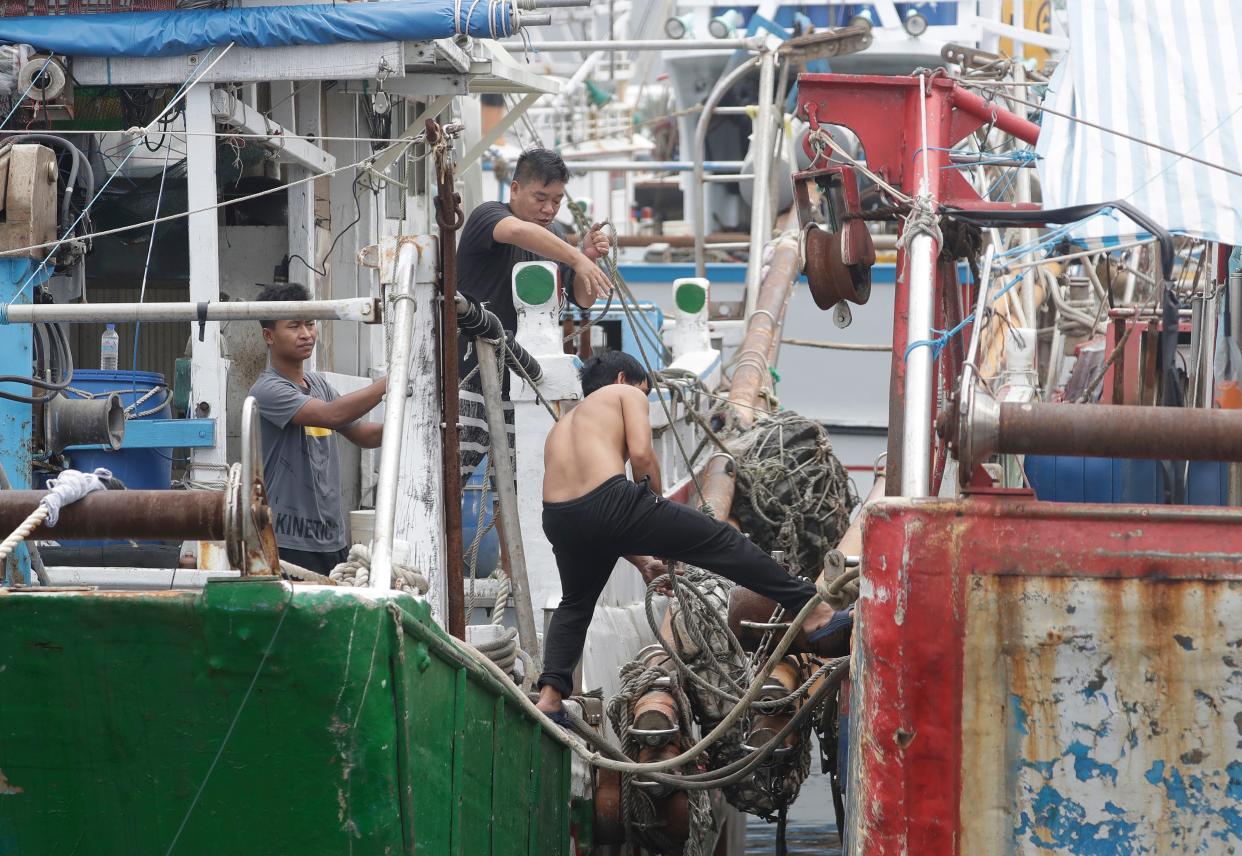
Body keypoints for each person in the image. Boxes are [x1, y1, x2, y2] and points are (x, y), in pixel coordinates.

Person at [534, 351, 853, 721]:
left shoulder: (561, 425)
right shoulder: (626, 395)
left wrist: (642, 562)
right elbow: (640, 455)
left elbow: (590, 517)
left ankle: (550, 697)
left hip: (559, 518)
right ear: (624, 379)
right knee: (722, 542)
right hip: (612, 502)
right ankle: (814, 612)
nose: (646, 399)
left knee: (576, 604)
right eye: (645, 391)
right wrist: (654, 510)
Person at [455, 147, 613, 486]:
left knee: (511, 492)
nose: (549, 209)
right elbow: (516, 232)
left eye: (556, 200)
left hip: (521, 386)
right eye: (540, 197)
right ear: (514, 189)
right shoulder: (488, 216)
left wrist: (587, 258)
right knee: (446, 483)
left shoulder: (554, 238)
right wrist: (576, 258)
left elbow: (583, 300)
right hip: (467, 382)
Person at [248, 283, 387, 574]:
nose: (306, 333)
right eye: (295, 326)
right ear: (268, 335)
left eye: (310, 324)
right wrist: (391, 382)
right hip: (287, 542)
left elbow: (363, 434)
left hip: (331, 541)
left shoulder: (319, 385)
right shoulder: (268, 389)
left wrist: (411, 426)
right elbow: (332, 415)